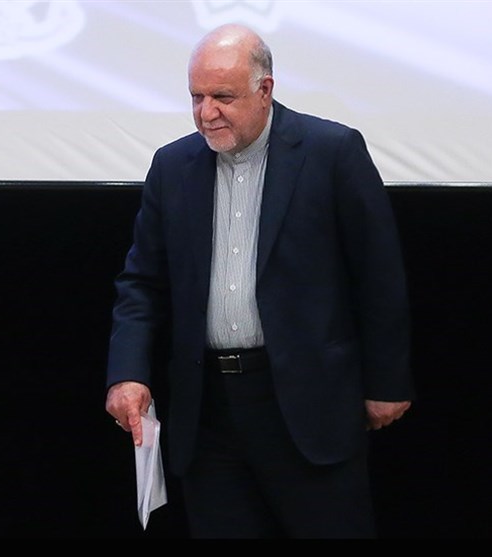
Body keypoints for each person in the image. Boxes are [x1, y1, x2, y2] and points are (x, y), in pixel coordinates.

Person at [104, 23, 414, 539]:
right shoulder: (173, 166)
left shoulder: (331, 152)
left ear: (265, 90)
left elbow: (378, 275)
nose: (206, 113)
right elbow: (141, 283)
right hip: (208, 413)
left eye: (222, 97)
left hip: (307, 404)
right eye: (197, 97)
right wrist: (127, 373)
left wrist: (387, 383)